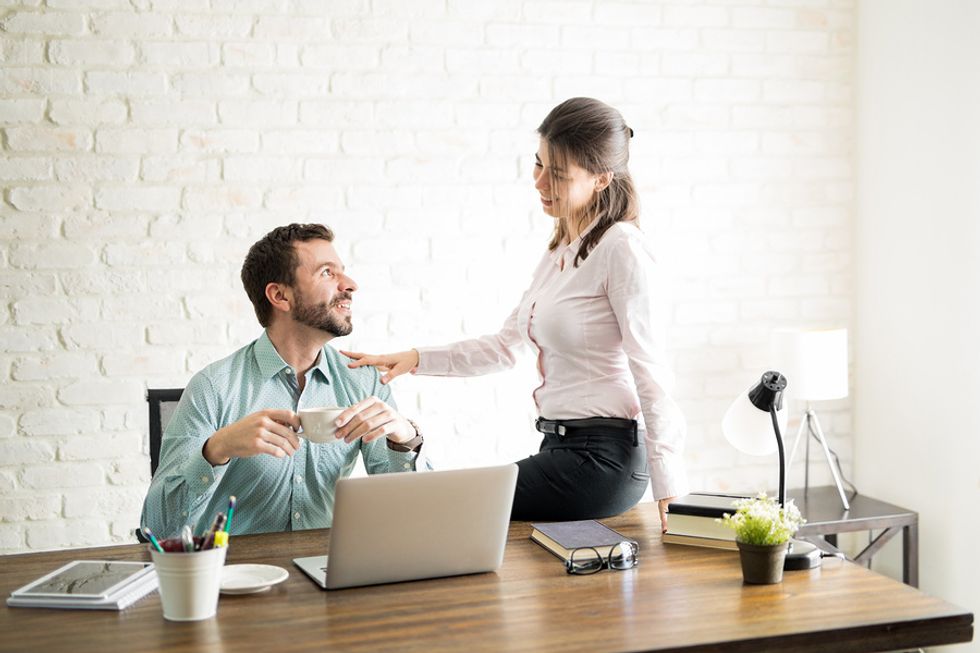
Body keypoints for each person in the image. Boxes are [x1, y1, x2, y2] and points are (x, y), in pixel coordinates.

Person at [345, 97, 688, 530]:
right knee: (463, 512)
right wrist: (414, 358)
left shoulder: (622, 247)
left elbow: (650, 369)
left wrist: (670, 486)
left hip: (602, 459)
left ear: (601, 178)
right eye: (538, 164)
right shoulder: (562, 251)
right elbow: (507, 347)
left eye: (558, 173)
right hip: (560, 448)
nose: (540, 181)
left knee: (451, 506)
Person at [140, 223, 428, 538]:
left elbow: (411, 514)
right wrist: (216, 449)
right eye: (327, 273)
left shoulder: (363, 380)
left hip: (329, 570)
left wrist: (405, 438)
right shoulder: (213, 387)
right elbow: (157, 525)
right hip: (237, 575)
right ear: (280, 296)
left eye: (342, 271)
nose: (350, 284)